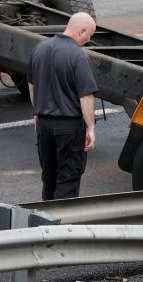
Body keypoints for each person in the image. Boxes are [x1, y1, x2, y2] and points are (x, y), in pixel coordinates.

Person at [27, 12, 98, 200]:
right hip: (69, 128)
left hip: (44, 125)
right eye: (90, 34)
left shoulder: (39, 49)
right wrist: (90, 127)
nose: (89, 40)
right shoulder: (77, 55)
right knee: (68, 180)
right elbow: (86, 96)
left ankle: (45, 224)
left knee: (48, 178)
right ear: (82, 31)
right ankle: (62, 225)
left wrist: (37, 113)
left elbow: (32, 85)